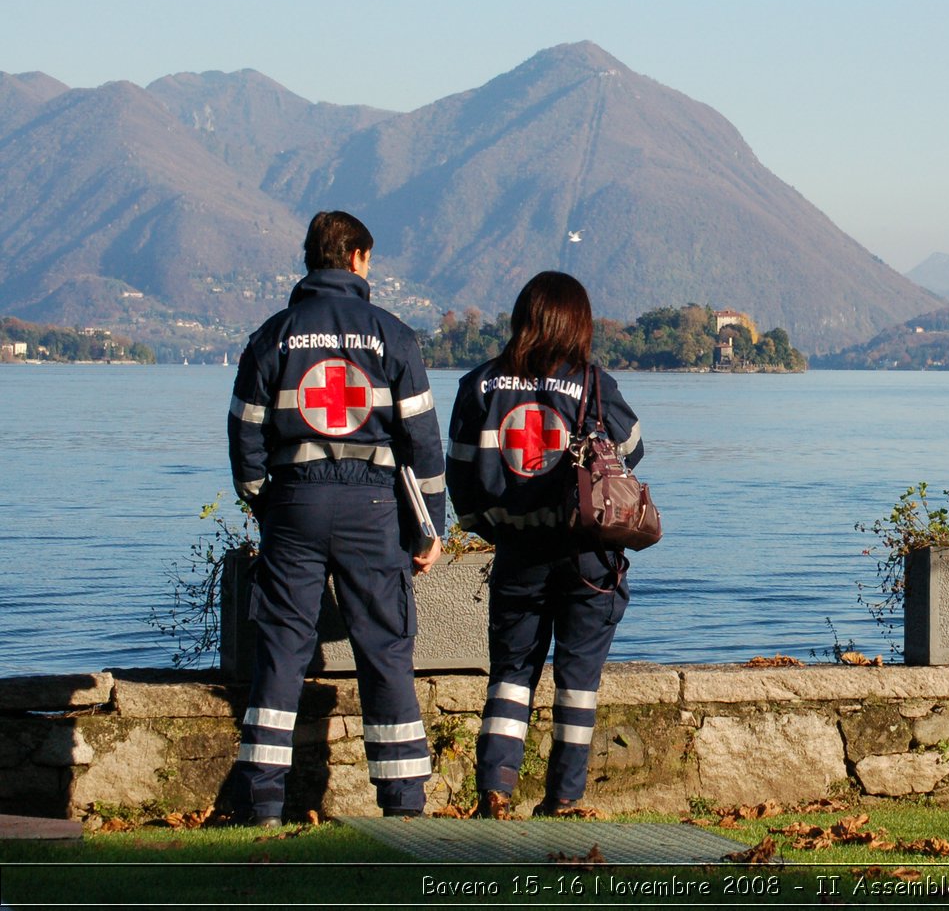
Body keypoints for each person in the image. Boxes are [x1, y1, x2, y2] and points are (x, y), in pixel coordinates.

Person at [224, 210, 445, 825]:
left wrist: (265, 503)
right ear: (356, 258)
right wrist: (431, 528)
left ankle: (262, 804)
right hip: (371, 505)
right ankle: (403, 806)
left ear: (312, 260)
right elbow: (422, 443)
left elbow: (244, 435)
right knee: (385, 649)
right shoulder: (394, 336)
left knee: (280, 650)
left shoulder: (273, 335)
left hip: (293, 501)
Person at [446, 271, 642, 818]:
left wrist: (492, 526)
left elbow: (460, 476)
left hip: (517, 549)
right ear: (578, 323)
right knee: (578, 683)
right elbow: (633, 450)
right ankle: (563, 797)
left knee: (510, 675)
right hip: (587, 554)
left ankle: (495, 791)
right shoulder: (595, 383)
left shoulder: (478, 384)